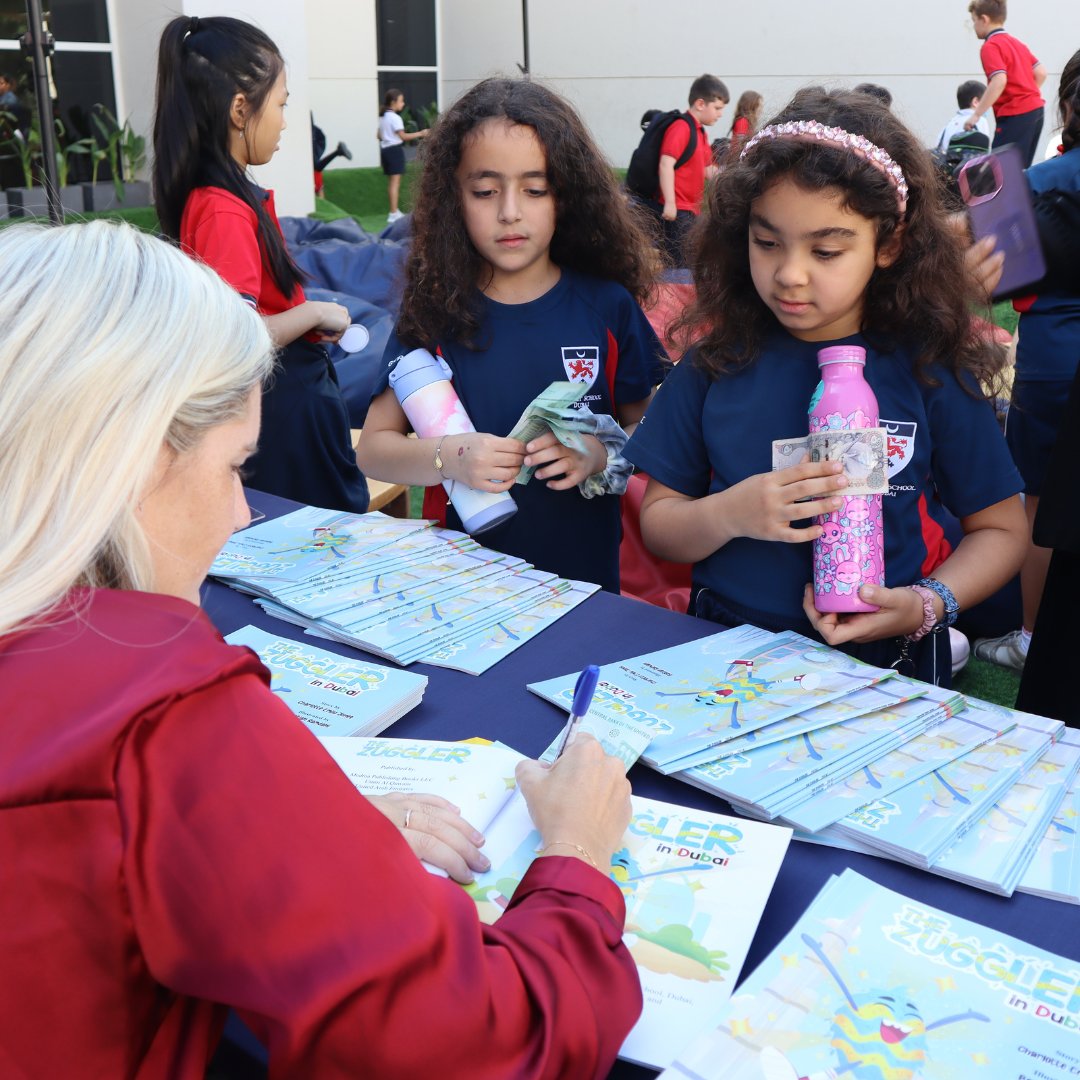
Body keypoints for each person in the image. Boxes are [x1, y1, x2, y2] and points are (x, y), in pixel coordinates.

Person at [0, 218, 641, 1077]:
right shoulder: (163, 716)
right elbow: (480, 1039)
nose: (239, 516)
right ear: (131, 460)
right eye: (235, 469)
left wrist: (277, 827)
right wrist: (578, 857)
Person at [624, 87, 1027, 686]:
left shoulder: (930, 367)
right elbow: (659, 522)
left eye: (828, 249)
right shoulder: (716, 361)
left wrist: (927, 604)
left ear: (888, 244)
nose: (790, 273)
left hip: (889, 662)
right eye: (768, 243)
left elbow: (1002, 530)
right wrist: (732, 512)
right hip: (727, 650)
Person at [356, 77, 669, 594]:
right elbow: (373, 449)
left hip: (584, 587)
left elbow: (653, 430)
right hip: (463, 590)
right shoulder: (434, 312)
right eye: (484, 190)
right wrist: (450, 457)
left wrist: (599, 454)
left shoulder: (607, 305)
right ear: (452, 198)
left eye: (534, 188)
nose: (509, 211)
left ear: (565, 195)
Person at [153, 15, 369, 516]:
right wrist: (315, 314)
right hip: (283, 421)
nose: (285, 121)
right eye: (281, 104)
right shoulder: (222, 209)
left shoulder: (224, 199)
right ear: (239, 109)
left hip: (287, 414)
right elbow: (236, 337)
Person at [974, 48, 1080, 674]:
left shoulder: (1044, 181)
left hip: (1054, 360)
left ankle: (1033, 637)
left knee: (1040, 505)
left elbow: (987, 274)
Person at [653, 74, 729, 265]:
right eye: (717, 108)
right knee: (677, 261)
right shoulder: (681, 127)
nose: (720, 114)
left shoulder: (700, 132)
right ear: (700, 104)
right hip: (678, 210)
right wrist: (670, 202)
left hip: (691, 210)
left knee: (687, 258)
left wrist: (732, 178)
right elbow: (666, 164)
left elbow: (707, 170)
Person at [965, 0, 1046, 167]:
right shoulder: (1017, 43)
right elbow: (1041, 73)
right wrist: (1026, 94)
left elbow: (999, 80)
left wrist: (976, 114)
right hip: (1036, 111)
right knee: (1020, 169)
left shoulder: (990, 46)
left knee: (1001, 171)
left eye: (974, 21)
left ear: (984, 19)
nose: (974, 26)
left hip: (1016, 115)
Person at [379, 88, 429, 223]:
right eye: (401, 101)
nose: (403, 103)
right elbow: (403, 136)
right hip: (394, 150)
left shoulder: (382, 117)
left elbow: (378, 135)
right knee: (395, 183)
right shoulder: (395, 118)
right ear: (394, 102)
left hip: (385, 150)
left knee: (392, 182)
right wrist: (421, 133)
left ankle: (393, 211)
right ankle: (393, 213)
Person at [936, 79, 994, 151]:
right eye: (985, 101)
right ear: (975, 102)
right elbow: (984, 150)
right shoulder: (980, 121)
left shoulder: (949, 124)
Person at [311, 112, 352, 197]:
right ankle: (338, 151)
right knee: (316, 167)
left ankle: (338, 151)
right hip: (316, 140)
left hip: (316, 140)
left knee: (316, 167)